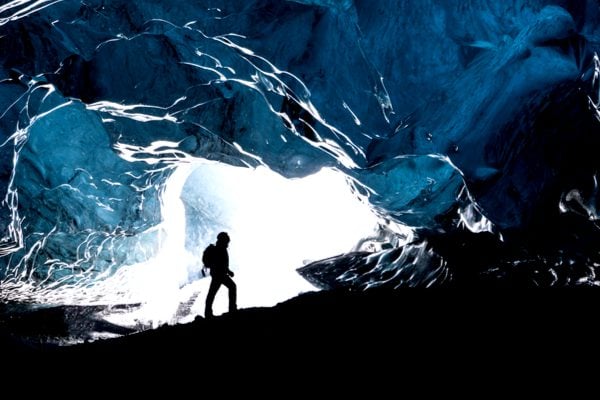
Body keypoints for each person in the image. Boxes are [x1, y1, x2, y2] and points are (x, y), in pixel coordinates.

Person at [203, 231, 237, 318]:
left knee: (212, 293)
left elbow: (223, 264)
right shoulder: (220, 249)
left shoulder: (219, 248)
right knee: (232, 287)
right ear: (223, 240)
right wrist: (229, 272)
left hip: (217, 274)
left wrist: (228, 271)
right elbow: (221, 264)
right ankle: (232, 309)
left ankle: (208, 313)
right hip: (219, 275)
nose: (228, 243)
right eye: (227, 241)